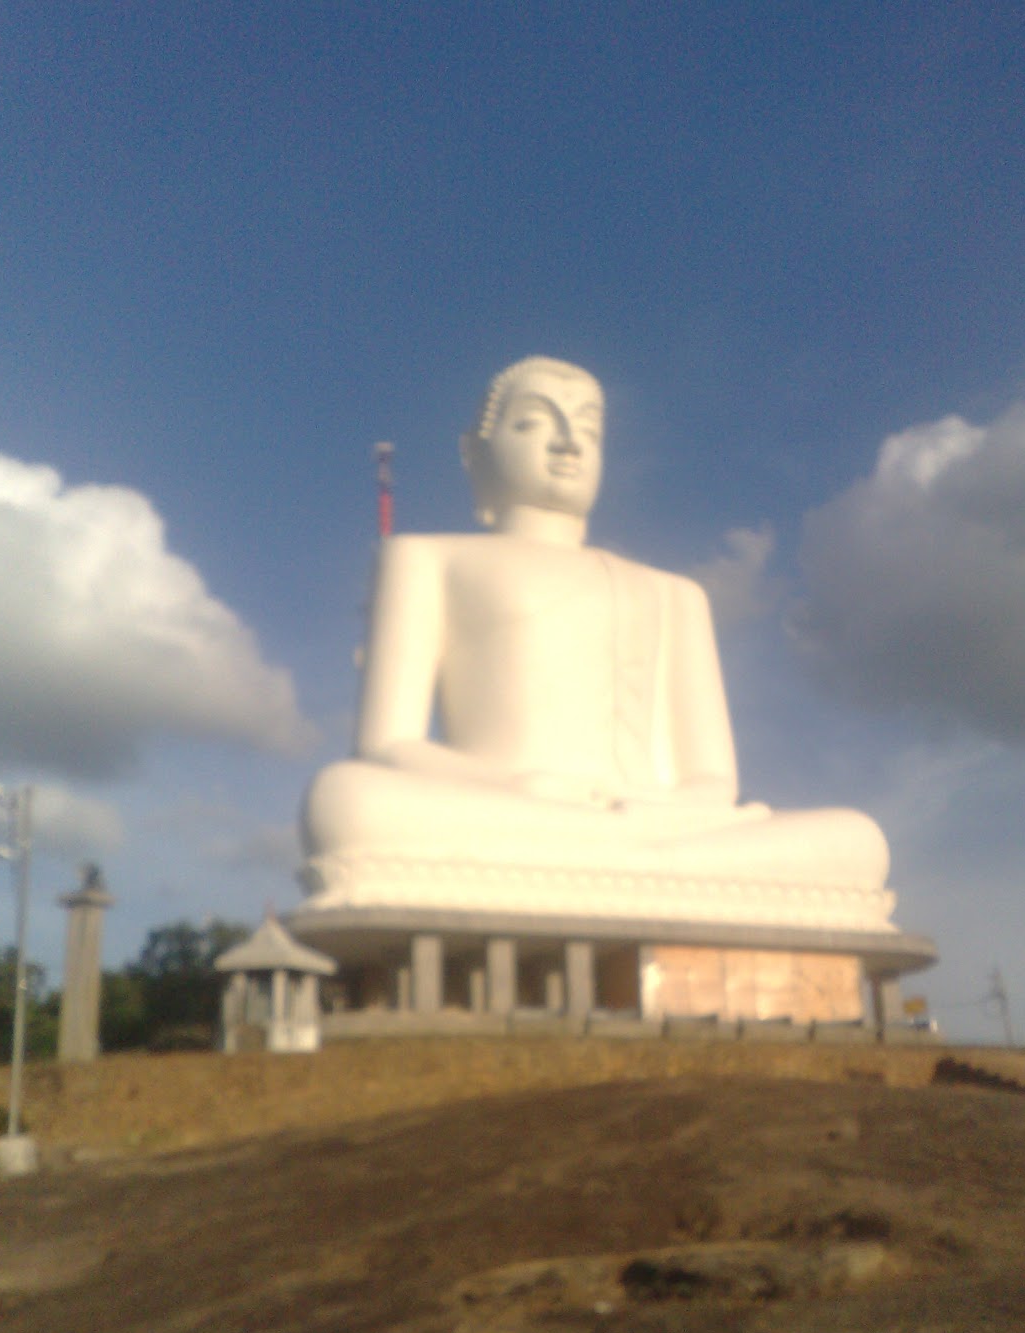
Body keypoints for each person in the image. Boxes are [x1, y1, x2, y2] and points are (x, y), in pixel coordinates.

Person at [301, 357, 891, 916]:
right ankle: (658, 872)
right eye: (533, 423)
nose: (567, 443)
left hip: (659, 822)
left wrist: (667, 811)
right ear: (474, 452)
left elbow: (714, 781)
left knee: (858, 839)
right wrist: (522, 786)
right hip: (515, 811)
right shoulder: (425, 558)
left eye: (587, 428)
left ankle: (636, 864)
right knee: (345, 803)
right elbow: (385, 745)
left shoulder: (673, 593)